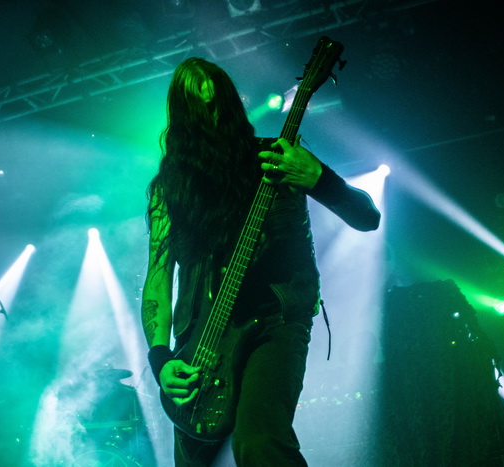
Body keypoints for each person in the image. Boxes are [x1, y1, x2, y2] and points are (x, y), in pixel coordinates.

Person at [140, 57, 380, 466]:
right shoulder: (170, 188)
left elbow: (367, 217)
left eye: (218, 105)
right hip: (200, 340)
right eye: (199, 109)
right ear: (183, 118)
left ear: (233, 105)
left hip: (273, 322)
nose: (212, 118)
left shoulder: (276, 158)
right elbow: (158, 279)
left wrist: (319, 178)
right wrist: (160, 358)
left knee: (260, 442)